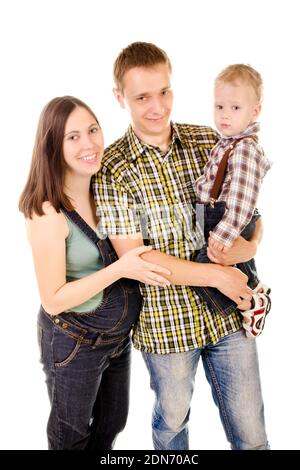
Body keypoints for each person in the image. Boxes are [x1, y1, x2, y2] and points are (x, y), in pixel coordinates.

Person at [93, 42, 269, 450]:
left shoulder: (210, 140)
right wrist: (216, 274)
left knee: (252, 433)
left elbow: (251, 216)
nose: (157, 107)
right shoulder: (113, 169)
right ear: (120, 97)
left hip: (229, 319)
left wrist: (246, 249)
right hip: (167, 328)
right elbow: (137, 259)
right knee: (172, 425)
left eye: (164, 92)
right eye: (142, 97)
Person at [19, 95, 172, 450]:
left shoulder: (103, 189)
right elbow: (53, 299)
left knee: (112, 424)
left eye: (92, 130)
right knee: (71, 436)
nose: (89, 143)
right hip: (74, 344)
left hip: (116, 343)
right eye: (73, 137)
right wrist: (121, 268)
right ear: (53, 146)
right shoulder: (48, 214)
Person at [193, 64, 272, 338]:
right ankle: (253, 292)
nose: (225, 115)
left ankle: (253, 301)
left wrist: (225, 233)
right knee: (224, 268)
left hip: (227, 219)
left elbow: (243, 198)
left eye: (235, 108)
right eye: (219, 107)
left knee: (204, 268)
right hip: (214, 215)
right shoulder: (226, 142)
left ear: (255, 111)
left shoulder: (245, 149)